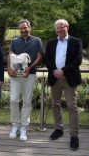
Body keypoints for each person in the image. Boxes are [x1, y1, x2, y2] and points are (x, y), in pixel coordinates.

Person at [44, 19, 82, 150]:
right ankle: (58, 128)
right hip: (55, 77)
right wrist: (54, 70)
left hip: (69, 78)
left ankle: (74, 136)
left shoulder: (76, 42)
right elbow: (46, 59)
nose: (59, 30)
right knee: (55, 104)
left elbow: (78, 60)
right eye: (57, 28)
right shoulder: (51, 42)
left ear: (67, 27)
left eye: (62, 27)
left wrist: (63, 70)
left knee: (72, 106)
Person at [7, 19, 43, 141]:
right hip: (15, 75)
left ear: (29, 27)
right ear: (19, 29)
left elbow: (39, 56)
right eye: (21, 28)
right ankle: (15, 125)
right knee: (13, 100)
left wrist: (30, 68)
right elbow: (10, 55)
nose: (23, 30)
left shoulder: (36, 40)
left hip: (30, 74)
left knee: (27, 101)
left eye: (25, 27)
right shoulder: (14, 41)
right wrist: (9, 69)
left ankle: (23, 127)